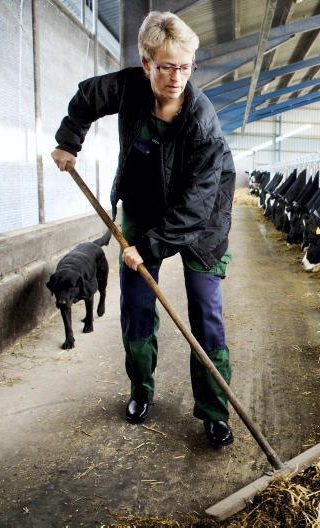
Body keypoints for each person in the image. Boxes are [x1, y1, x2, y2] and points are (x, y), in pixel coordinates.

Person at [51, 11, 236, 447]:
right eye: (167, 66)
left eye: (186, 67)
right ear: (146, 62)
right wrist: (68, 141)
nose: (177, 78)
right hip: (142, 204)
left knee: (205, 311)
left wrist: (148, 247)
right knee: (136, 307)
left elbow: (196, 204)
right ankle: (140, 389)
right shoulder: (130, 87)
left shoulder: (202, 122)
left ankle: (214, 410)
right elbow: (87, 97)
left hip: (203, 219)